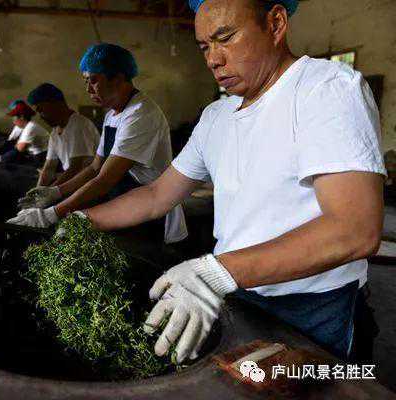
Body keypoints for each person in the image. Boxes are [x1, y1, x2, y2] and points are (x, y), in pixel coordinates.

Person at [47, 0, 386, 364]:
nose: (213, 59)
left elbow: (354, 230)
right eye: (205, 46)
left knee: (306, 387)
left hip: (313, 306)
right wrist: (79, 218)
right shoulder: (216, 116)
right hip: (239, 291)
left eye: (225, 38)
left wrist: (216, 272)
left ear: (275, 23)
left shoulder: (325, 89)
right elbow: (158, 194)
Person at [8, 43, 188, 244]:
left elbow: (104, 179)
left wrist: (52, 213)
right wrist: (55, 192)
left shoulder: (140, 114)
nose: (88, 89)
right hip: (122, 198)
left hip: (149, 207)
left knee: (138, 255)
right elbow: (95, 167)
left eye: (93, 80)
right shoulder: (112, 114)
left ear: (118, 78)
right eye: (86, 81)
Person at [19, 83, 100, 191]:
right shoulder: (55, 133)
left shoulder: (79, 124)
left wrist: (50, 192)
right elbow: (49, 168)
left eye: (41, 109)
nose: (41, 116)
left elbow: (76, 168)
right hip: (75, 182)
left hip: (89, 184)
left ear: (56, 103)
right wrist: (38, 190)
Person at [0, 100, 49, 167]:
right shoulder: (27, 126)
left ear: (22, 117)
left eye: (14, 118)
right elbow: (15, 141)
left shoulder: (30, 127)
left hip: (42, 156)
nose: (13, 122)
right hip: (37, 154)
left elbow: (20, 148)